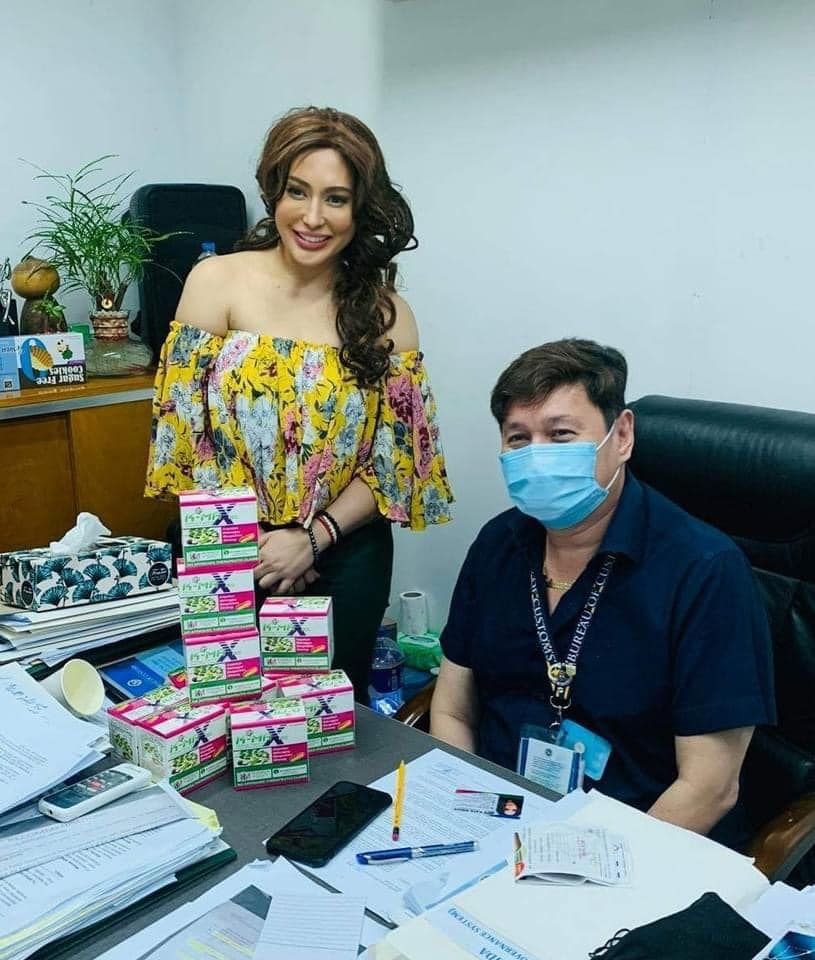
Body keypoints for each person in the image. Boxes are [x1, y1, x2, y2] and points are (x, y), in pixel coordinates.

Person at [145, 106, 453, 701]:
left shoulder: (388, 316)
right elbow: (184, 439)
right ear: (274, 191)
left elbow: (392, 467)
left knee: (329, 721)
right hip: (225, 543)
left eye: (335, 199)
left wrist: (308, 541)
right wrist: (264, 545)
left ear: (360, 209)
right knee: (223, 712)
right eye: (298, 192)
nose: (313, 218)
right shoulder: (216, 283)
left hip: (344, 555)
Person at [430, 338, 775, 847]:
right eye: (518, 439)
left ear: (623, 436)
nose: (538, 456)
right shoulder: (497, 544)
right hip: (495, 824)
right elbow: (453, 710)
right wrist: (467, 816)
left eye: (561, 434)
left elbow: (710, 788)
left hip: (639, 845)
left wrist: (586, 866)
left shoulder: (705, 570)